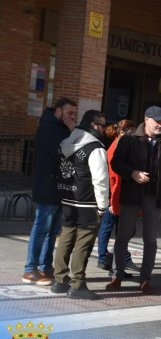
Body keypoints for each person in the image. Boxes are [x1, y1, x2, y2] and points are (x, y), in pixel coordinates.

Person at [107, 106, 161, 294]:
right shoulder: (129, 139)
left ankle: (145, 279)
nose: (160, 124)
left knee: (150, 239)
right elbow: (116, 162)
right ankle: (116, 275)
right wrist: (132, 173)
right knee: (123, 236)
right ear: (146, 120)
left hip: (155, 195)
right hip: (131, 194)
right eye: (157, 121)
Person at [51, 110, 109, 300]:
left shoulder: (65, 143)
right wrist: (102, 206)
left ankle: (59, 281)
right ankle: (78, 284)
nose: (104, 129)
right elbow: (100, 180)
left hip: (67, 198)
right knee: (84, 242)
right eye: (102, 125)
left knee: (66, 237)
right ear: (93, 124)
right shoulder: (95, 147)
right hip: (87, 201)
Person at [23, 98, 77, 285]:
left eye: (74, 114)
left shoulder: (61, 128)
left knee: (53, 231)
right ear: (58, 111)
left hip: (60, 187)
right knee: (42, 227)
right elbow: (62, 152)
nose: (72, 117)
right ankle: (30, 269)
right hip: (47, 186)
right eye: (69, 113)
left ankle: (46, 267)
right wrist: (71, 132)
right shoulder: (48, 127)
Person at [96, 120, 137, 277]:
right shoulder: (117, 148)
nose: (133, 135)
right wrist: (112, 200)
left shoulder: (118, 145)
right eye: (131, 132)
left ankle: (113, 259)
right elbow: (114, 177)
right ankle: (109, 259)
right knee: (114, 228)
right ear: (123, 132)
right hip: (114, 195)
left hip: (115, 194)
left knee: (116, 228)